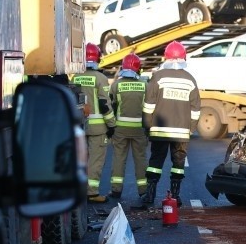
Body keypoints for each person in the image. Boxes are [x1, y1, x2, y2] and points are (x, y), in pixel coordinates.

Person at [142, 41, 200, 207]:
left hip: (159, 130)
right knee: (178, 165)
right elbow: (195, 109)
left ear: (165, 57)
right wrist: (191, 129)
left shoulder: (158, 77)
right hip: (181, 133)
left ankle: (149, 196)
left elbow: (148, 105)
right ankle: (175, 196)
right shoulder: (190, 80)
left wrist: (147, 126)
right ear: (184, 57)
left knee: (155, 163)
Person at [71, 43, 115, 203]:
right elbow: (105, 104)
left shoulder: (75, 77)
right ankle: (92, 192)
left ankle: (80, 189)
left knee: (81, 159)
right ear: (97, 58)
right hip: (98, 128)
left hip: (81, 125)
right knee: (95, 160)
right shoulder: (101, 78)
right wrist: (111, 124)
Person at [109, 53, 149, 203]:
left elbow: (111, 106)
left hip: (120, 129)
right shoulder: (145, 85)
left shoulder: (116, 85)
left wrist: (110, 127)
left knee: (119, 158)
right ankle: (143, 191)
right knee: (140, 160)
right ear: (138, 69)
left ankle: (116, 190)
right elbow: (149, 108)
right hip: (139, 129)